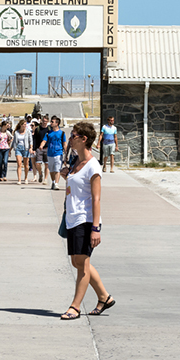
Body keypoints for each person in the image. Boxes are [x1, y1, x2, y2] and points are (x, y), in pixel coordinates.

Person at [59, 121, 115, 320]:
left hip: (85, 220)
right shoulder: (76, 162)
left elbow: (96, 199)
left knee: (82, 264)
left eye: (74, 135)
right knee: (77, 261)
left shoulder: (93, 166)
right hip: (72, 219)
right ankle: (104, 296)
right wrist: (67, 175)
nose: (70, 139)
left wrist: (95, 228)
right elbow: (76, 187)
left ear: (84, 139)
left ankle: (75, 307)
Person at [40, 116, 67, 190]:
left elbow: (64, 143)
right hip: (50, 154)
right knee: (51, 170)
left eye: (52, 122)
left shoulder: (62, 133)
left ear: (57, 123)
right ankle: (53, 181)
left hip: (58, 153)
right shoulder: (48, 133)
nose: (50, 123)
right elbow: (44, 140)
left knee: (57, 169)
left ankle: (56, 184)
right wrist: (41, 145)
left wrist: (66, 153)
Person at [13, 119, 34, 185]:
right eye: (24, 124)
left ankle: (25, 177)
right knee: (19, 164)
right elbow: (14, 141)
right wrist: (11, 149)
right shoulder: (16, 132)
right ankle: (19, 179)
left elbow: (31, 140)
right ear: (21, 125)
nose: (25, 126)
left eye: (25, 124)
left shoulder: (28, 132)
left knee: (26, 165)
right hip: (18, 148)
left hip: (26, 148)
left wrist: (31, 148)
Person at [33, 114, 50, 184]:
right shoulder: (38, 129)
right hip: (39, 148)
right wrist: (34, 148)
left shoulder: (49, 129)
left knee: (47, 164)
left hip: (47, 148)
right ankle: (40, 173)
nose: (44, 122)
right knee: (38, 163)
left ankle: (45, 179)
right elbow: (34, 139)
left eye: (45, 121)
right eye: (43, 121)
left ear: (47, 121)